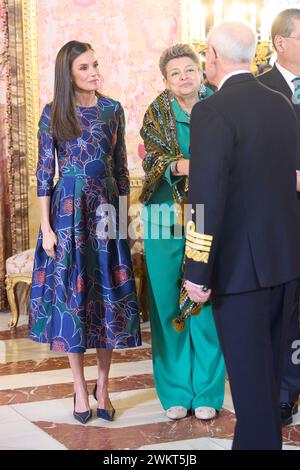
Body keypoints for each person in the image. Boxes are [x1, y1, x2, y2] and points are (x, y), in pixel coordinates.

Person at [184, 21, 300, 450]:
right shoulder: (280, 103)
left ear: (212, 56)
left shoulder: (210, 110)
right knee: (269, 384)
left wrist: (196, 270)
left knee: (251, 389)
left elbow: (205, 197)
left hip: (239, 270)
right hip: (284, 260)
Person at [29, 40, 141, 424]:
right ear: (69, 74)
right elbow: (45, 174)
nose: (94, 72)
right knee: (73, 304)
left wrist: (123, 220)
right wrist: (45, 227)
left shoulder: (112, 110)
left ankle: (104, 386)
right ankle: (79, 388)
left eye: (95, 65)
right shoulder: (53, 113)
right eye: (84, 68)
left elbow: (122, 171)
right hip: (67, 214)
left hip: (107, 211)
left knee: (108, 299)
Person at [140, 44, 226, 421]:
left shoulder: (221, 108)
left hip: (211, 215)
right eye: (175, 73)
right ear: (166, 80)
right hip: (164, 217)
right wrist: (184, 165)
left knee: (206, 300)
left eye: (189, 69)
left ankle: (208, 391)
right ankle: (175, 391)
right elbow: (152, 160)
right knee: (167, 305)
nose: (184, 77)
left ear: (201, 70)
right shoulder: (156, 113)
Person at [257, 8, 300, 426]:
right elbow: (249, 159)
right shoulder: (258, 90)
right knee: (285, 310)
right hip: (281, 219)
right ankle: (285, 392)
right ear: (281, 43)